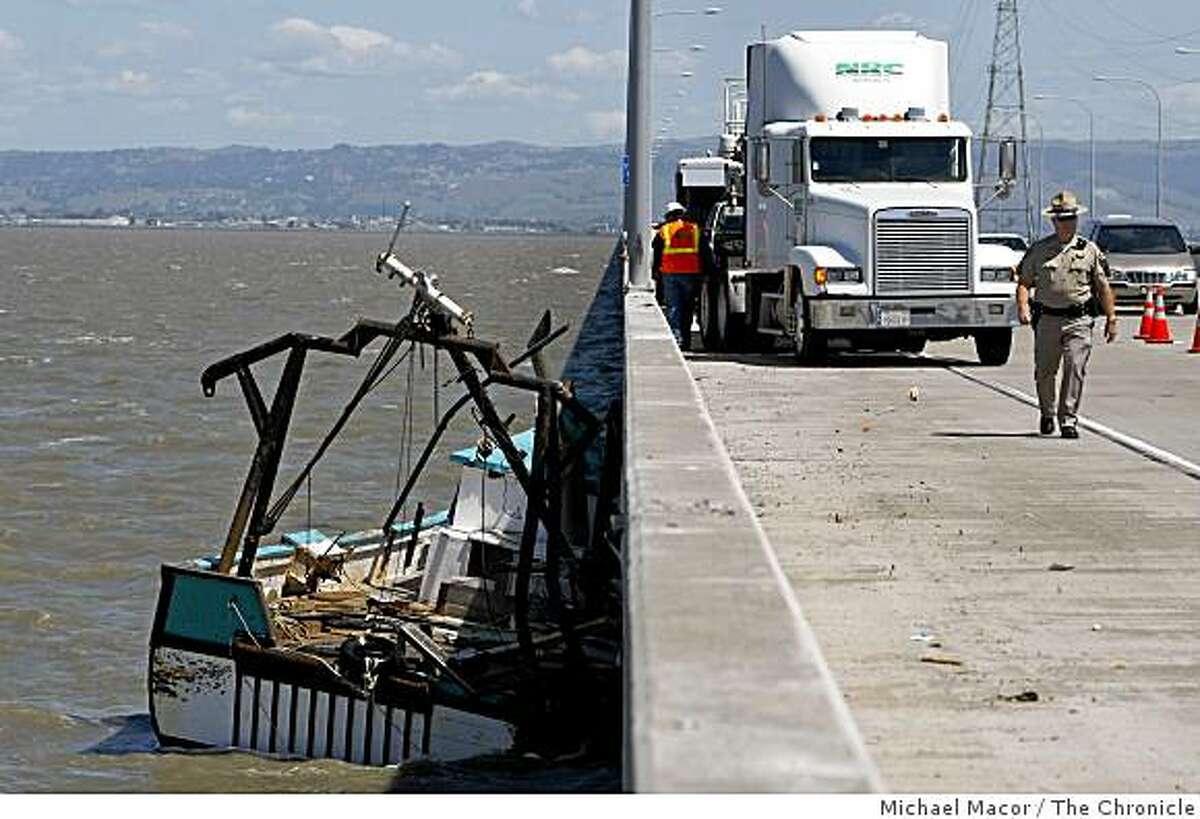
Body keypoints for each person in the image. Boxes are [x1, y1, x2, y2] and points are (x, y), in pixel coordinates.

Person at [1015, 191, 1118, 439]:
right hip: (1048, 319)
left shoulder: (1089, 250)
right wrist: (1023, 307)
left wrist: (1112, 319)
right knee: (1045, 371)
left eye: (1070, 218)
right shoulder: (1039, 250)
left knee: (1075, 367)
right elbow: (1024, 282)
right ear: (1053, 221)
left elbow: (1103, 287)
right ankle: (1047, 412)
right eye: (1061, 219)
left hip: (1079, 320)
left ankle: (1068, 419)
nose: (1066, 223)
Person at [652, 201, 704, 351]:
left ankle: (677, 340)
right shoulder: (694, 229)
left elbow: (657, 252)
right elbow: (704, 252)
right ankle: (686, 340)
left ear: (669, 216)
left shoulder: (664, 230)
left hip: (670, 274)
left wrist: (656, 271)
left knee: (674, 308)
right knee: (688, 308)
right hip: (691, 274)